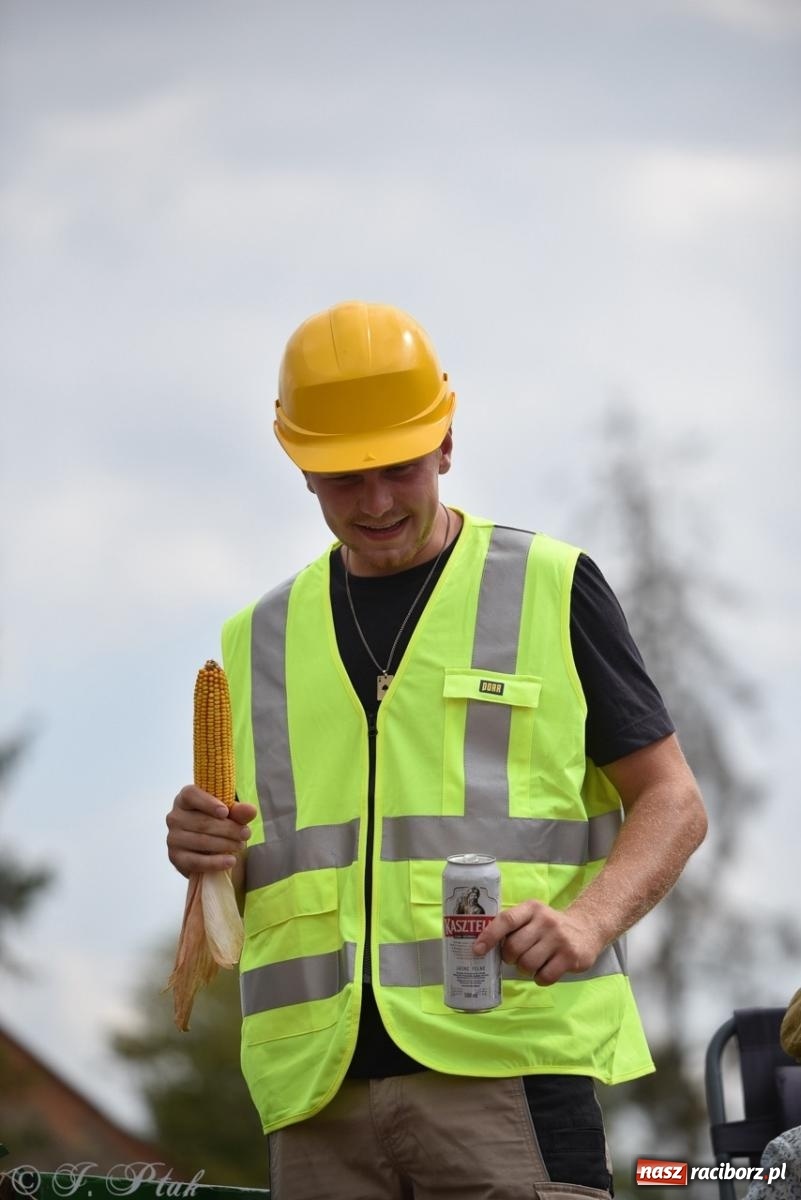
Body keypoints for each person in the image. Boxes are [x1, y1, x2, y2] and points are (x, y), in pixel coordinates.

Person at [166, 301, 708, 1200]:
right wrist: (202, 856)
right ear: (301, 467)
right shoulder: (255, 639)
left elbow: (673, 801)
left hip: (507, 1076)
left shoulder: (548, 588)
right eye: (345, 477)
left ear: (446, 445)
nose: (376, 501)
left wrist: (586, 922)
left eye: (399, 467)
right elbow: (257, 880)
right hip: (314, 1103)